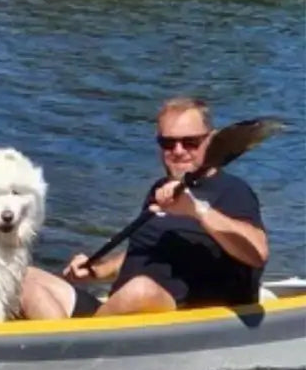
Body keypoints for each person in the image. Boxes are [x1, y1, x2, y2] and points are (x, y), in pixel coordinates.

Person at [21, 97, 268, 319]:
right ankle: (62, 346)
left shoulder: (233, 191)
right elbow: (142, 252)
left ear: (211, 140)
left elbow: (257, 253)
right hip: (119, 315)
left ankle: (72, 348)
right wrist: (97, 270)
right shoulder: (161, 188)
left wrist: (198, 211)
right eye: (168, 143)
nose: (178, 151)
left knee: (141, 291)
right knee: (21, 277)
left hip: (178, 320)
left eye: (190, 142)